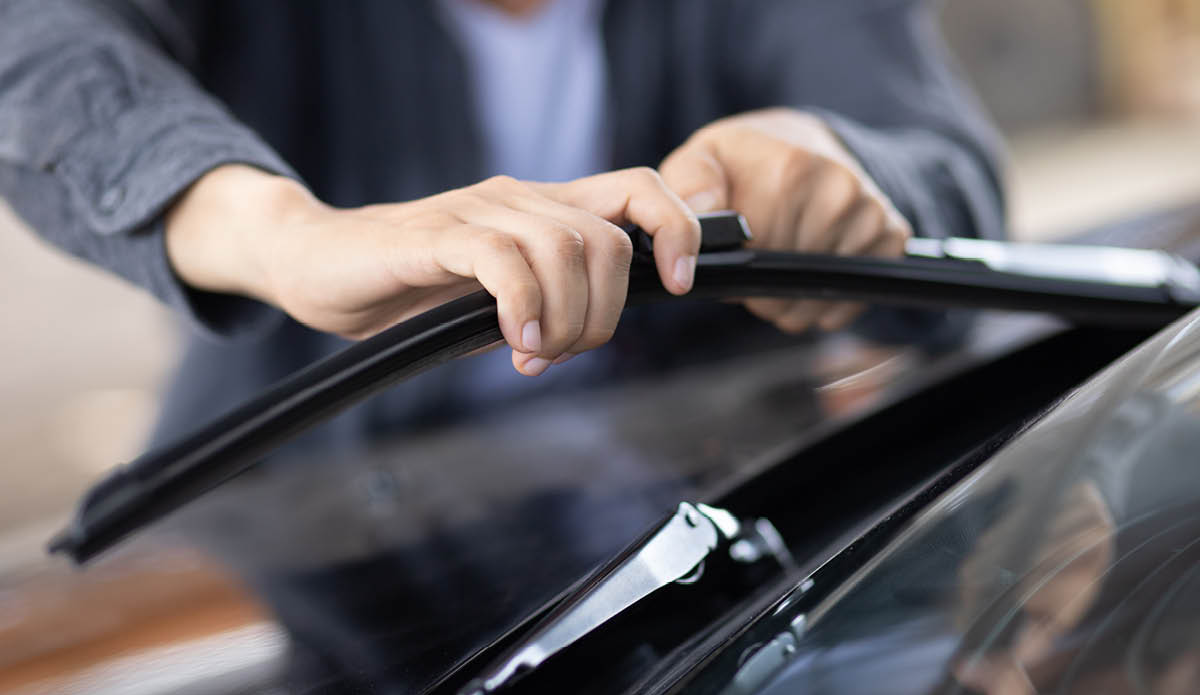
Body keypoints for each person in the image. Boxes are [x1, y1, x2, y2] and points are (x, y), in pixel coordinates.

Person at [0, 0, 1005, 451]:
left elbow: (951, 186)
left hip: (717, 541)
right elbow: (37, 47)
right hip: (316, 548)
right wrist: (285, 235)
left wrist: (841, 168)